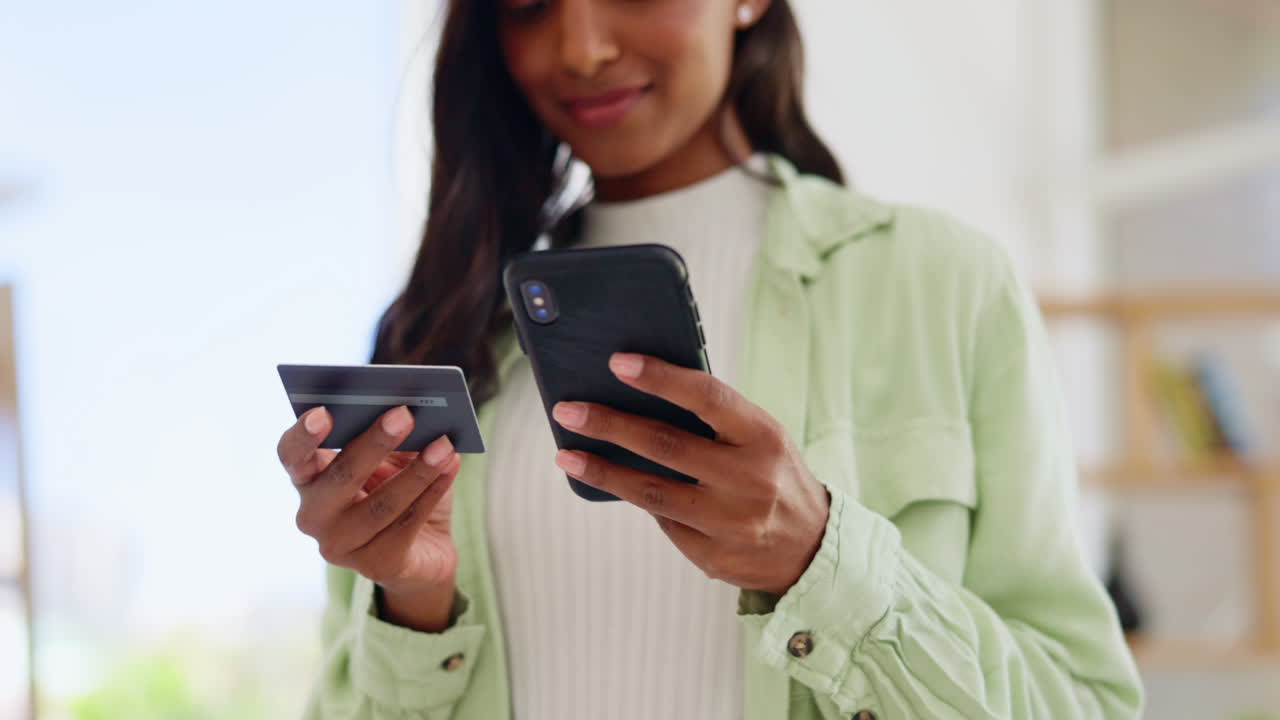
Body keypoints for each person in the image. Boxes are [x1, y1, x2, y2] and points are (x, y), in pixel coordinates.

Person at [275, 0, 1144, 717]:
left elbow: (1087, 704)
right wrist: (414, 610)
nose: (581, 48)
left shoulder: (943, 284)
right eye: (529, 7)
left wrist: (821, 563)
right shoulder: (445, 332)